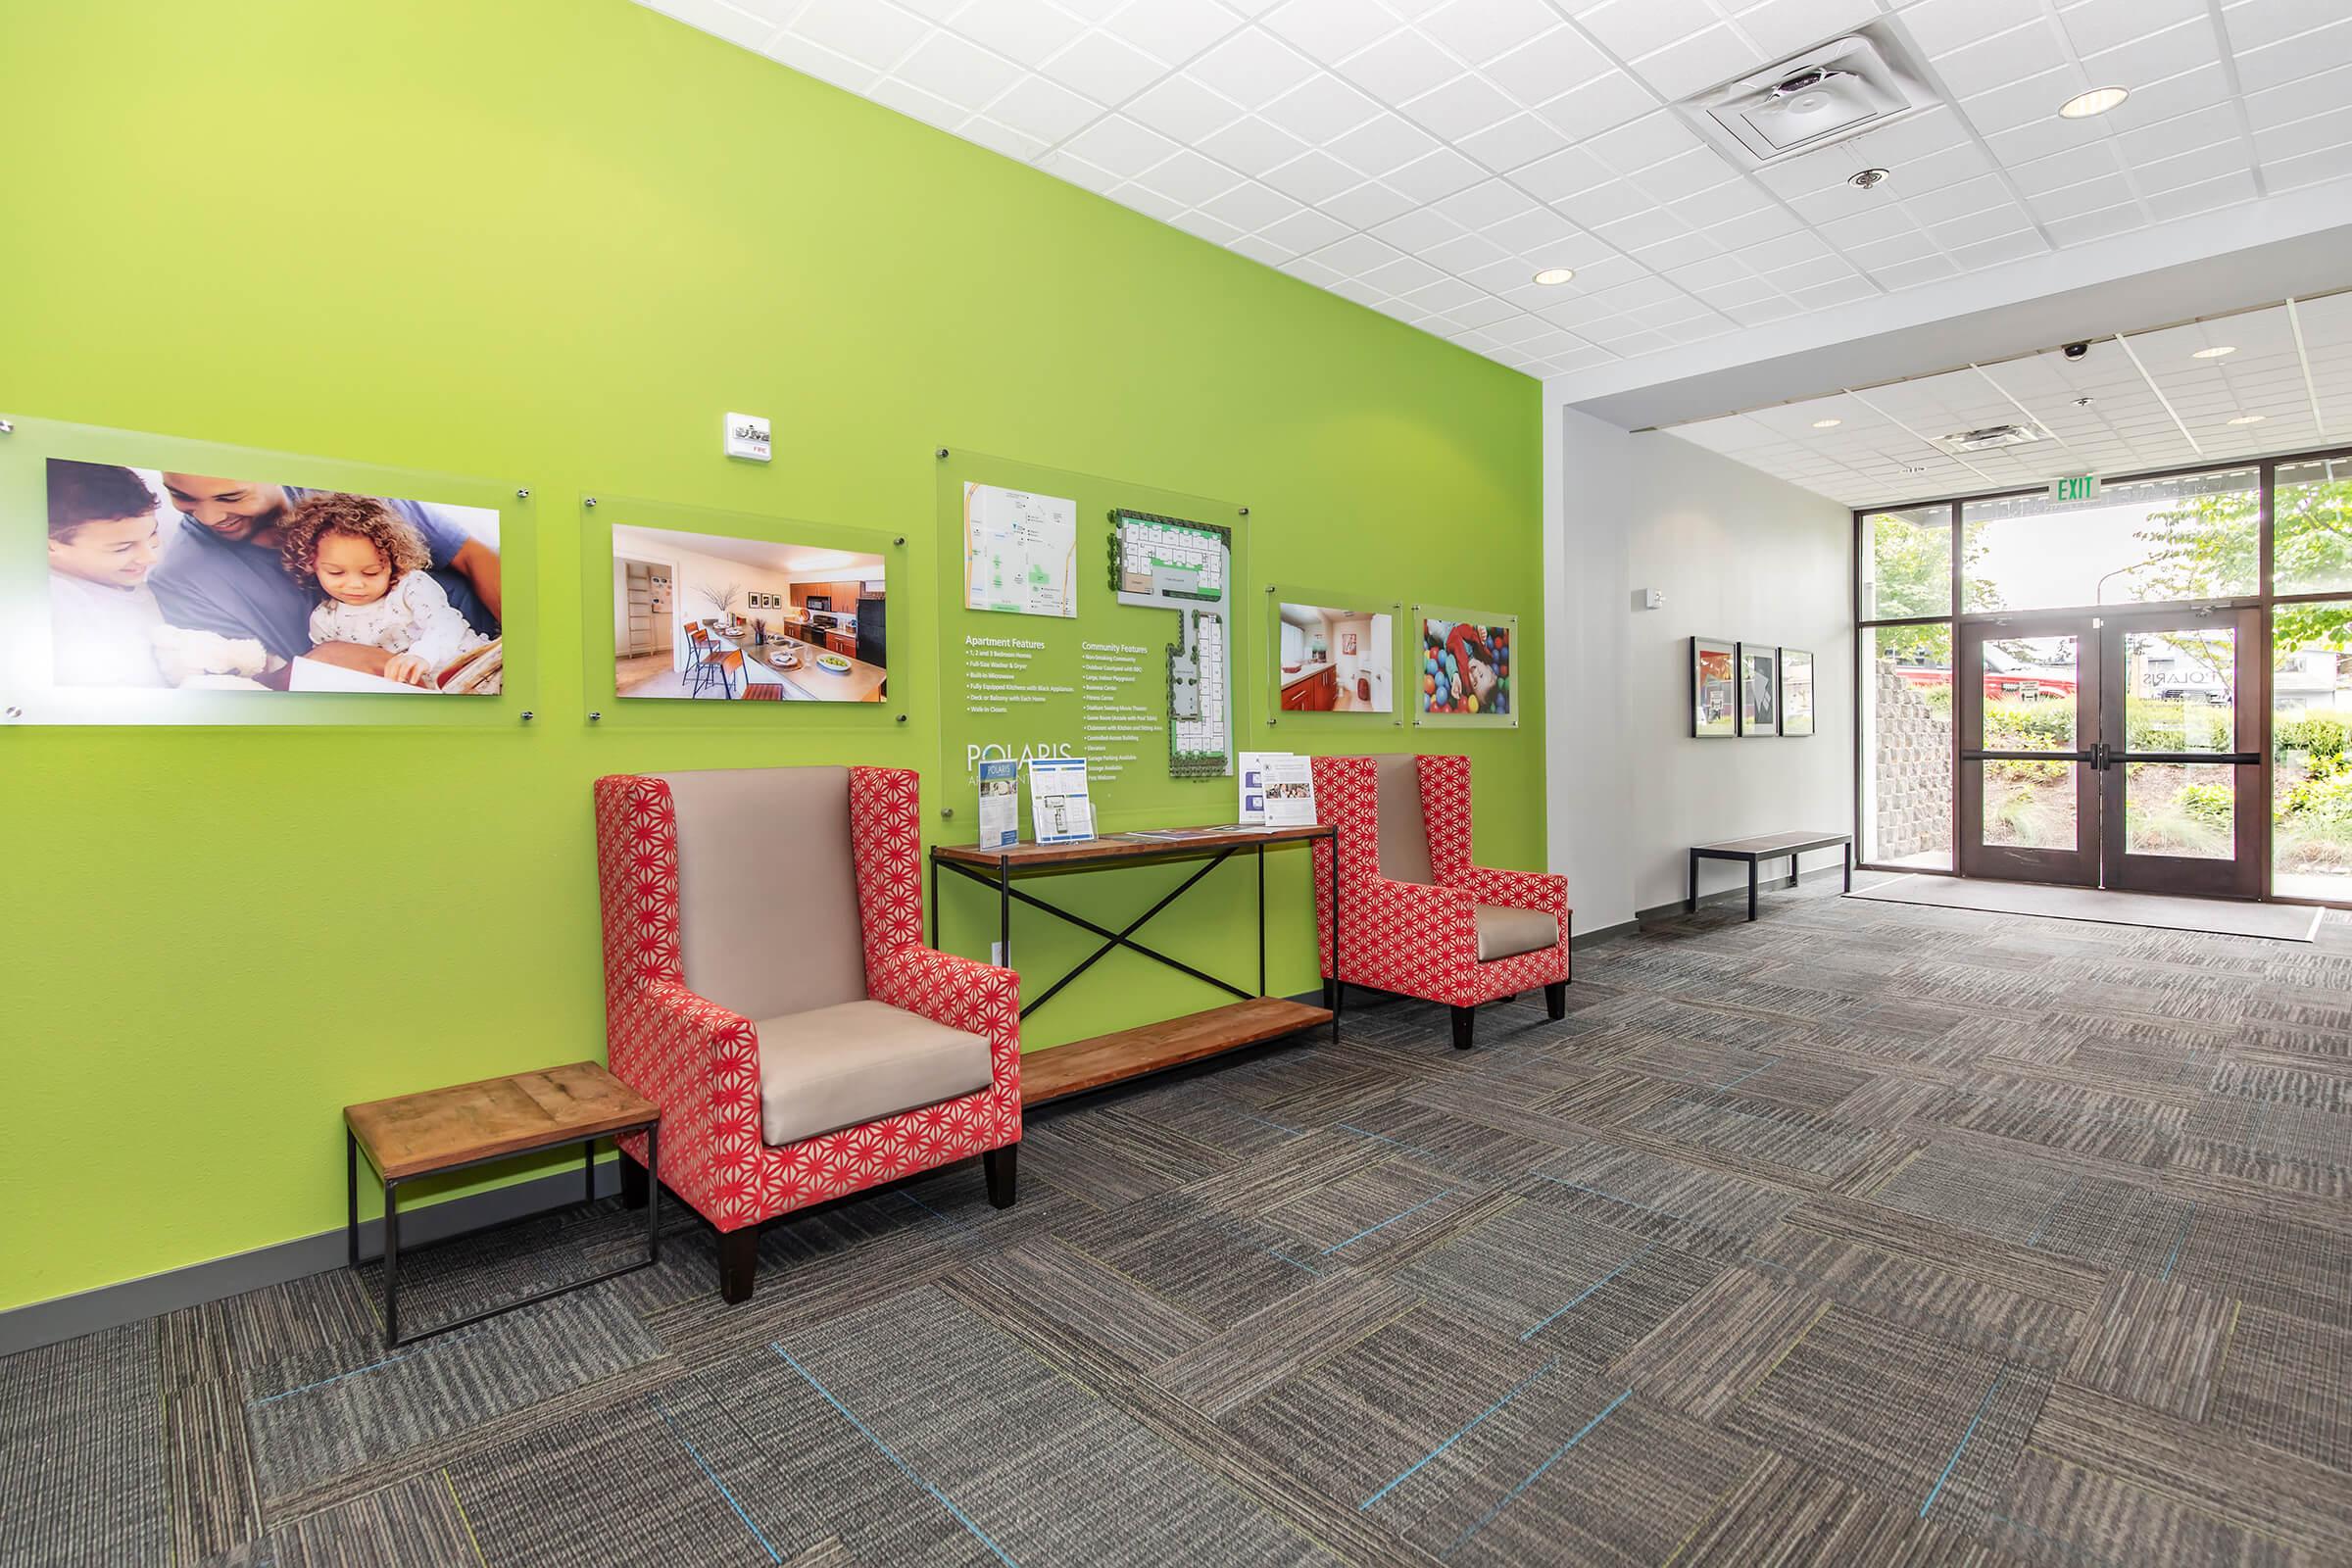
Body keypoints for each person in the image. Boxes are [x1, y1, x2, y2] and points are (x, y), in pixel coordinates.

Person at [146, 473, 500, 675]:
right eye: (181, 496)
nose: (208, 517)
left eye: (231, 496)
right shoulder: (182, 578)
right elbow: (251, 683)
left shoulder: (351, 492)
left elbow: (471, 556)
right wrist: (321, 665)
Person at [280, 493, 490, 688]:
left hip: (472, 671)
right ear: (310, 564)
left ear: (393, 562)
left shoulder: (409, 586)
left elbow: (446, 624)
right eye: (336, 573)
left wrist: (421, 655)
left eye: (371, 573)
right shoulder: (324, 619)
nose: (355, 584)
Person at [46, 461, 168, 687]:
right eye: (122, 548)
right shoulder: (57, 600)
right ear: (51, 547)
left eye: (152, 535)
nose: (150, 558)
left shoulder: (121, 581)